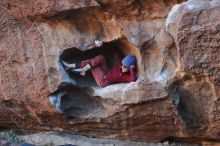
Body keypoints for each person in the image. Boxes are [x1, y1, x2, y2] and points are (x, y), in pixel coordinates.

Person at [62, 54, 137, 88]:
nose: (123, 67)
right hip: (106, 72)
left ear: (129, 67)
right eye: (122, 65)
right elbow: (117, 55)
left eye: (125, 67)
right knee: (101, 57)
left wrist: (131, 69)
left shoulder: (125, 76)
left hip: (104, 81)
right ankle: (78, 69)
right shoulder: (121, 64)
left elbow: (133, 79)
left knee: (94, 66)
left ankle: (72, 66)